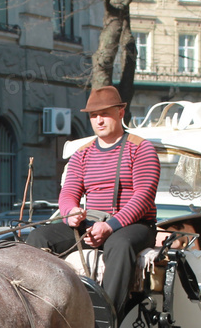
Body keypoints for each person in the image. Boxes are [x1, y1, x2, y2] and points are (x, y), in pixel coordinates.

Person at [26, 85, 160, 315]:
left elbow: (144, 196)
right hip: (91, 223)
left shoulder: (141, 149)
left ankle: (106, 315)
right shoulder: (83, 153)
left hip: (133, 226)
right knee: (39, 237)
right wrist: (72, 212)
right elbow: (68, 192)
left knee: (120, 244)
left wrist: (111, 226)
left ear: (120, 112)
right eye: (93, 115)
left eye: (105, 113)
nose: (98, 120)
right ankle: (39, 309)